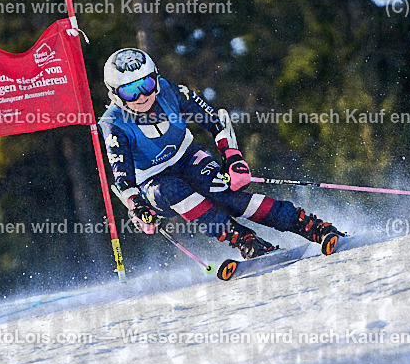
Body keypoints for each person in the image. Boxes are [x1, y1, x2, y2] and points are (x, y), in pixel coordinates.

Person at [98, 47, 346, 259]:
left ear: (156, 79)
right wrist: (137, 207)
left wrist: (233, 158)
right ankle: (244, 239)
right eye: (130, 92)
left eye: (147, 84)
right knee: (170, 190)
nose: (142, 96)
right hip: (153, 183)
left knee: (228, 196)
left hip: (187, 158)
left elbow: (215, 122)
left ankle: (308, 225)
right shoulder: (114, 123)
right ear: (115, 95)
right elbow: (123, 178)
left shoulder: (170, 91)